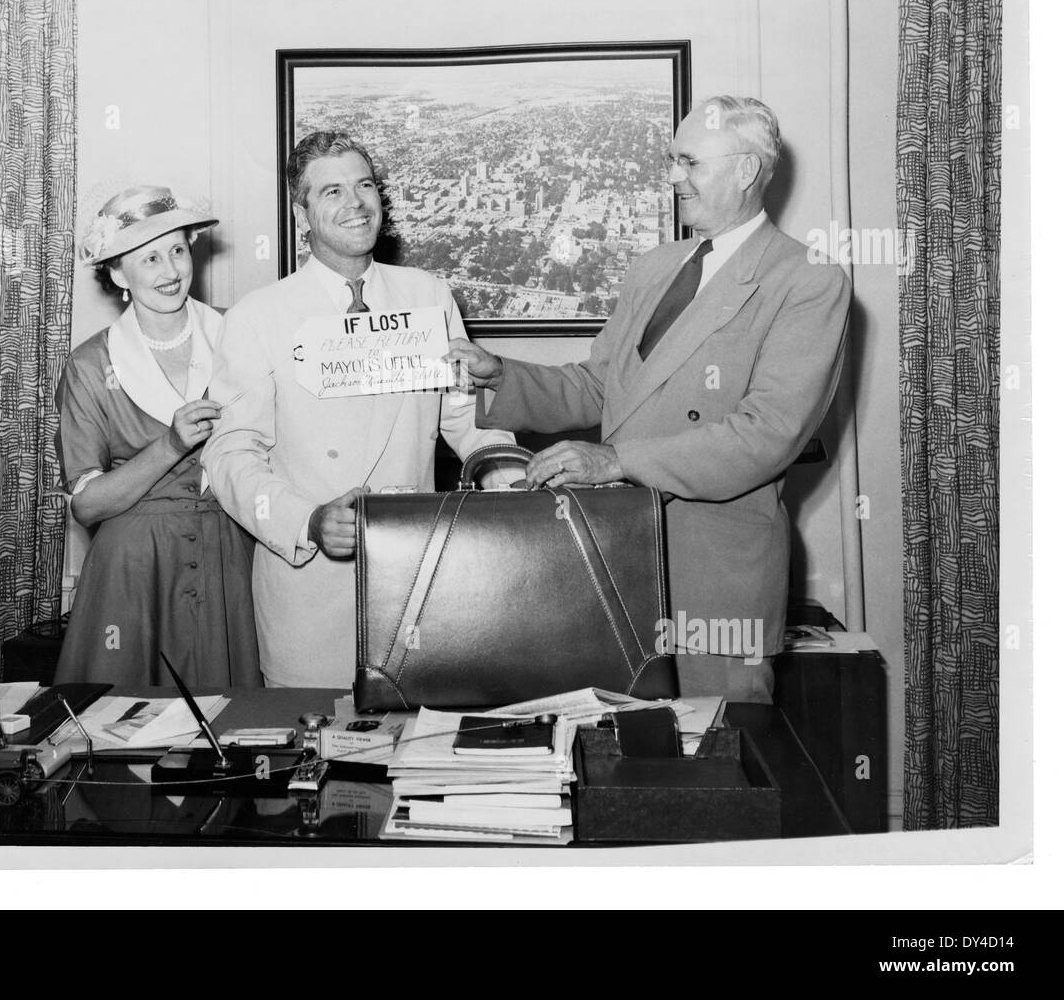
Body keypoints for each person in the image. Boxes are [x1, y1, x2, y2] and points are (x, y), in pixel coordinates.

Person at [448, 96, 851, 702]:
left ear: (746, 170)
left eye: (688, 161)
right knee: (622, 767)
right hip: (616, 564)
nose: (672, 177)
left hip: (714, 586)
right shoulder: (654, 268)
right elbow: (599, 386)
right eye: (672, 160)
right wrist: (497, 375)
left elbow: (765, 435)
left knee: (712, 771)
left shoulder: (808, 279)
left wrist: (616, 461)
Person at [202, 132, 516, 688]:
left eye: (364, 185)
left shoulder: (428, 296)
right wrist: (308, 520)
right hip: (310, 585)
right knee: (317, 753)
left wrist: (512, 481)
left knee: (420, 740)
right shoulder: (258, 317)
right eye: (331, 192)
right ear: (301, 212)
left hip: (419, 576)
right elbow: (230, 454)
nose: (355, 204)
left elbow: (468, 423)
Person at [53, 186, 261, 690]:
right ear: (119, 274)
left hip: (230, 561)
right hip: (132, 573)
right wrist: (169, 446)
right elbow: (87, 506)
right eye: (148, 258)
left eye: (177, 250)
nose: (170, 271)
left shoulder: (241, 337)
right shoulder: (89, 365)